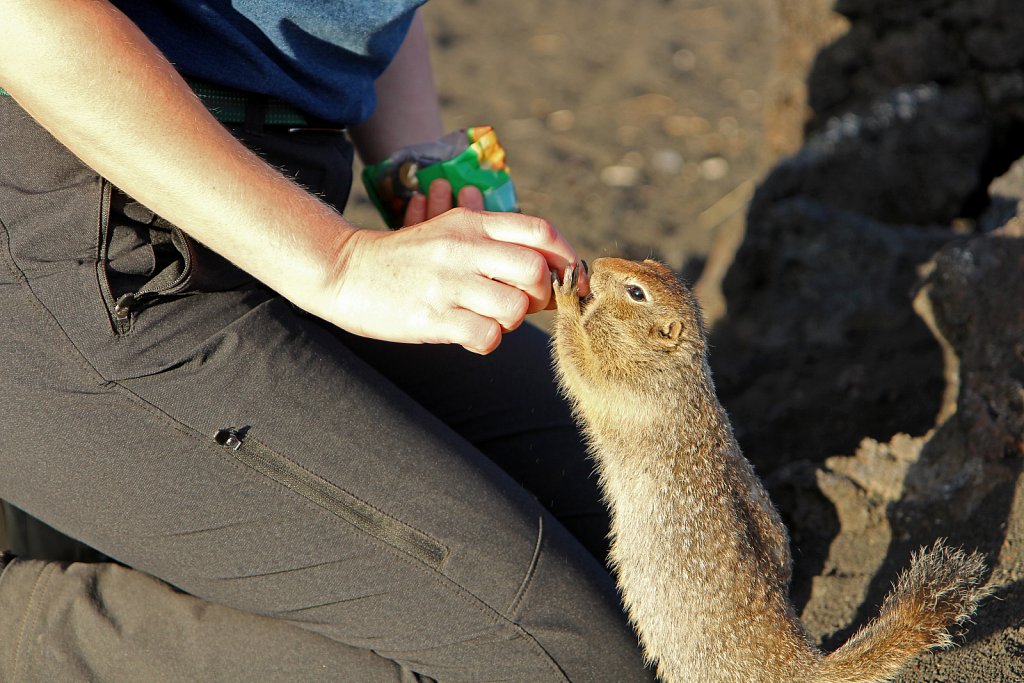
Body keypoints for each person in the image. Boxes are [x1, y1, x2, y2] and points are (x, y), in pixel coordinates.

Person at [0, 1, 653, 681]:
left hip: (278, 217)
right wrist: (337, 264)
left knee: (661, 556)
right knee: (564, 661)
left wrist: (417, 168)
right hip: (78, 228)